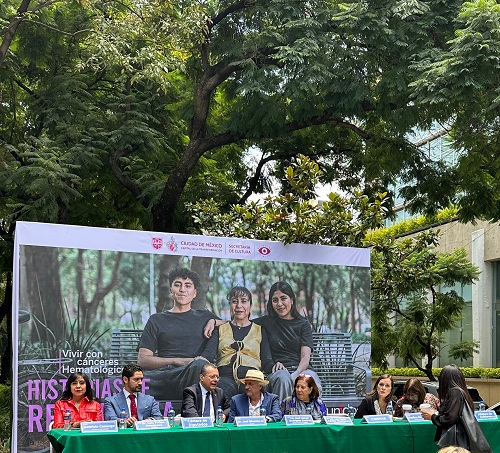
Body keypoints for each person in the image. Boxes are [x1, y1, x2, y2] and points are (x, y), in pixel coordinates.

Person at [137, 267, 219, 400]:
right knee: (113, 383)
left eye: (188, 286)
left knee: (200, 366)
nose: (182, 289)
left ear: (195, 293)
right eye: (177, 285)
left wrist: (214, 321)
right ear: (171, 290)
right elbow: (143, 360)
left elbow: (236, 323)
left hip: (189, 375)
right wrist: (177, 361)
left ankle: (191, 406)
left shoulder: (204, 316)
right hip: (161, 377)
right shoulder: (156, 320)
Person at [253, 281, 320, 401]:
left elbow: (305, 357)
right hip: (277, 373)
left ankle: (311, 412)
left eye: (283, 298)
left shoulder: (303, 325)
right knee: (283, 378)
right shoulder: (266, 322)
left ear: (292, 300)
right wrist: (216, 322)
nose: (279, 304)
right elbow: (240, 322)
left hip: (301, 370)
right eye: (275, 300)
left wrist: (295, 374)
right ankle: (281, 412)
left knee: (309, 378)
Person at [212, 286, 274, 398]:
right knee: (220, 391)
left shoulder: (260, 330)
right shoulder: (220, 329)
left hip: (251, 376)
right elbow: (208, 355)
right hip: (225, 376)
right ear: (230, 305)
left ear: (250, 306)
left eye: (244, 301)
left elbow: (267, 361)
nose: (239, 305)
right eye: (234, 301)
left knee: (251, 393)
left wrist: (276, 367)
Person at [423, 365, 475, 447]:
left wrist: (433, 416)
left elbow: (450, 418)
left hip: (456, 441)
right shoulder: (462, 392)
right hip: (461, 439)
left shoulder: (455, 392)